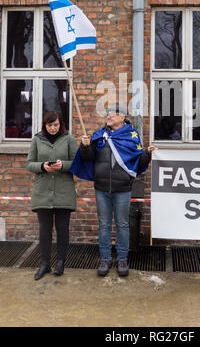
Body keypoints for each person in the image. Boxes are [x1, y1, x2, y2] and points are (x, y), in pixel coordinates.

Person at [71, 106, 156, 277]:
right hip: (101, 188)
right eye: (108, 113)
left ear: (123, 117)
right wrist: (85, 146)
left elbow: (138, 163)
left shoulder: (132, 136)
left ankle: (122, 259)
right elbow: (88, 158)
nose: (109, 116)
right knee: (104, 225)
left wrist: (147, 154)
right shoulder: (99, 135)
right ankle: (105, 259)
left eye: (113, 114)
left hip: (123, 188)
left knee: (122, 224)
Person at [26, 111, 78, 280]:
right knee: (44, 231)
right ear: (45, 126)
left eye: (56, 125)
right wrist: (42, 166)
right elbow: (29, 164)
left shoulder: (69, 139)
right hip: (43, 191)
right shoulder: (37, 139)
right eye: (50, 125)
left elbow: (77, 163)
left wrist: (63, 165)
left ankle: (61, 262)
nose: (53, 128)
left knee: (62, 230)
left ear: (60, 124)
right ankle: (44, 264)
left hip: (64, 191)